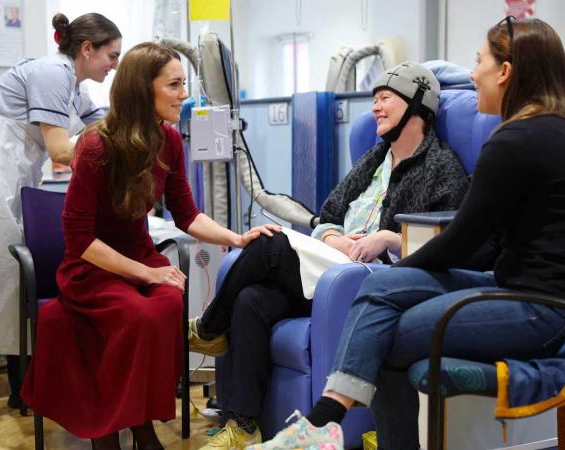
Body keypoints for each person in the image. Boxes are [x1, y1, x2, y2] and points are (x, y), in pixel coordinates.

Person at [251, 18, 565, 450]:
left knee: (384, 335)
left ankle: (322, 425)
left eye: (479, 62)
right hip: (528, 291)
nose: (472, 74)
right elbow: (487, 247)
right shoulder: (555, 131)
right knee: (384, 291)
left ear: (506, 72)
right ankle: (322, 427)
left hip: (549, 314)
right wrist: (396, 279)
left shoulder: (517, 140)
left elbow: (461, 241)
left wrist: (400, 274)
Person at [190, 62, 471, 450]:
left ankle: (207, 329)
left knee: (269, 244)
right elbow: (328, 213)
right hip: (333, 261)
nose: (375, 108)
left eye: (385, 98)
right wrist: (333, 236)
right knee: (251, 301)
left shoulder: (443, 169)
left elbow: (446, 243)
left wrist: (388, 238)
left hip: (371, 277)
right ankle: (243, 425)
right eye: (374, 99)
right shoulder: (374, 159)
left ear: (418, 105)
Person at [20, 42, 279, 450]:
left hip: (140, 257)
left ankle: (140, 423)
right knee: (136, 313)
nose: (183, 94)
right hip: (92, 268)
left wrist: (235, 237)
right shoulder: (95, 145)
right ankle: (108, 431)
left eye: (183, 84)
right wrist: (148, 272)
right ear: (144, 89)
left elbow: (187, 214)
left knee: (167, 305)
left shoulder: (169, 140)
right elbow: (80, 239)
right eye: (174, 85)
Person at [0, 12, 121, 425]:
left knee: (5, 285)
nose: (115, 65)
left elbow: (97, 125)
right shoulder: (52, 73)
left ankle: (20, 389)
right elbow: (62, 151)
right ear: (87, 49)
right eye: (112, 55)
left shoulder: (71, 82)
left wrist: (131, 124)